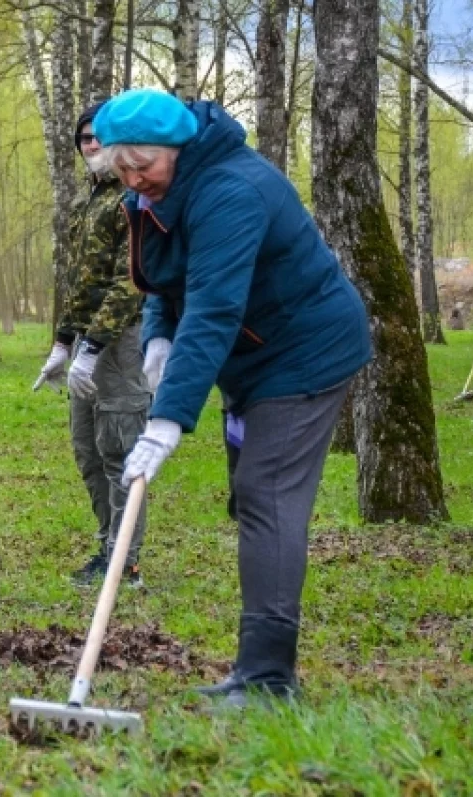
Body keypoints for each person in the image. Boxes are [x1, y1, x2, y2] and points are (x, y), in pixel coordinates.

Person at [93, 88, 372, 707]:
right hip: (253, 356)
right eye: (123, 169)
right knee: (253, 497)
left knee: (266, 494)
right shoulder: (166, 189)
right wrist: (160, 337)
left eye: (145, 166)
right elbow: (169, 276)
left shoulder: (231, 192)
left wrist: (166, 422)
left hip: (305, 350)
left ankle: (269, 680)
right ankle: (255, 673)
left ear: (178, 147)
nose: (136, 180)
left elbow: (216, 307)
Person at [34, 102, 150, 588]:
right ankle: (108, 545)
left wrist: (96, 346)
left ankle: (127, 562)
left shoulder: (133, 198)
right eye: (84, 139)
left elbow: (131, 280)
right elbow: (81, 282)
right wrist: (64, 343)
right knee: (87, 449)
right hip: (87, 340)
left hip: (122, 341)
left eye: (100, 136)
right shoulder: (90, 201)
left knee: (120, 450)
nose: (92, 145)